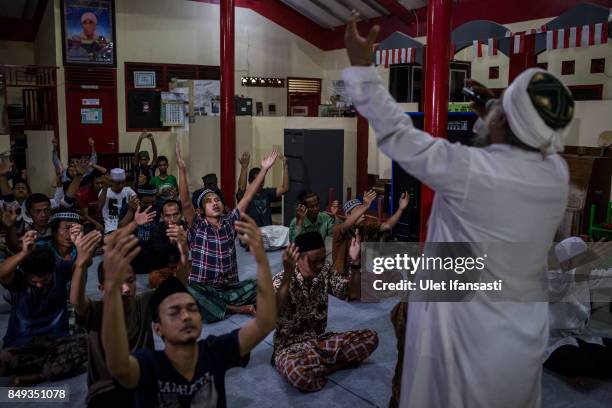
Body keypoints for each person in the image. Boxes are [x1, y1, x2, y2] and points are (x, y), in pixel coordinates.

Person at [343, 13, 574, 407]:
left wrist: (362, 69)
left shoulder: (472, 171)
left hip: (469, 336)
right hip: (520, 336)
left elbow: (399, 134)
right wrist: (497, 110)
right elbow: (521, 141)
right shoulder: (556, 172)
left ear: (503, 120)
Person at [101, 213, 277, 408]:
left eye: (192, 308)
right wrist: (111, 288)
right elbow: (118, 366)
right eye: (174, 312)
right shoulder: (149, 365)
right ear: (158, 328)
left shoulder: (213, 352)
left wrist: (261, 260)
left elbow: (265, 323)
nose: (186, 316)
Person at [70, 220, 188, 407]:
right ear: (102, 288)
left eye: (131, 281)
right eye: (118, 282)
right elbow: (77, 301)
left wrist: (184, 252)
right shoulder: (97, 310)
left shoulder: (143, 302)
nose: (126, 289)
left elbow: (177, 287)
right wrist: (81, 264)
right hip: (107, 388)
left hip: (143, 381)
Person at [176, 143, 278, 322]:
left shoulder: (230, 222)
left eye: (217, 200)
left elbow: (247, 196)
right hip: (204, 288)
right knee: (188, 291)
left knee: (261, 285)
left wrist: (264, 169)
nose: (215, 203)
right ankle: (235, 309)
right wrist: (182, 171)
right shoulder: (198, 226)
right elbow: (185, 202)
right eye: (209, 201)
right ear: (200, 210)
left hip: (228, 288)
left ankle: (222, 307)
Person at [273, 231, 378, 391]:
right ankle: (329, 365)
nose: (320, 265)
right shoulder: (281, 279)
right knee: (298, 374)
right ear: (297, 259)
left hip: (319, 342)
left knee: (370, 338)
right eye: (314, 261)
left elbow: (352, 292)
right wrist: (288, 273)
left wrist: (355, 263)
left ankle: (320, 368)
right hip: (289, 349)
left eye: (323, 260)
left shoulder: (324, 271)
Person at [0, 232, 87, 386]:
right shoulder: (18, 279)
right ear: (25, 274)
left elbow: (82, 265)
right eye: (34, 281)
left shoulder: (59, 269)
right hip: (22, 344)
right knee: (5, 358)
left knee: (86, 343)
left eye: (45, 280)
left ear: (52, 271)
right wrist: (24, 253)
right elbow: (2, 273)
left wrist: (81, 250)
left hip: (57, 340)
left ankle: (36, 376)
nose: (39, 285)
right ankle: (49, 367)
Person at [544, 237, 612, 384]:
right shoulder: (550, 277)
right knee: (584, 364)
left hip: (579, 336)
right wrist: (585, 268)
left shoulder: (584, 276)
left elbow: (606, 277)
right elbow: (558, 286)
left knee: (606, 359)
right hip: (550, 342)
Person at [332, 190, 409, 280]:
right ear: (348, 215)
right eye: (360, 212)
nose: (363, 215)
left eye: (364, 211)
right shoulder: (339, 229)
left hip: (358, 273)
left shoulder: (364, 228)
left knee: (396, 275)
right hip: (341, 277)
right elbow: (346, 225)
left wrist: (401, 209)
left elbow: (387, 225)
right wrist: (365, 206)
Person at [236, 151, 290, 250]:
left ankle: (265, 244)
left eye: (262, 181)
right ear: (251, 182)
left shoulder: (267, 192)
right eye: (258, 181)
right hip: (251, 232)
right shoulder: (246, 195)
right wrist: (244, 167)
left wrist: (285, 166)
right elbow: (241, 188)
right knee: (253, 237)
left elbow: (285, 188)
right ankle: (263, 244)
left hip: (266, 231)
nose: (260, 184)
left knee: (286, 231)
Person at [98, 168, 136, 234]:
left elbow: (136, 201)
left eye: (123, 183)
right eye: (117, 183)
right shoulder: (105, 191)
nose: (121, 186)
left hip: (126, 225)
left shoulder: (128, 190)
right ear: (111, 182)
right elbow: (99, 207)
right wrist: (105, 187)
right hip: (110, 228)